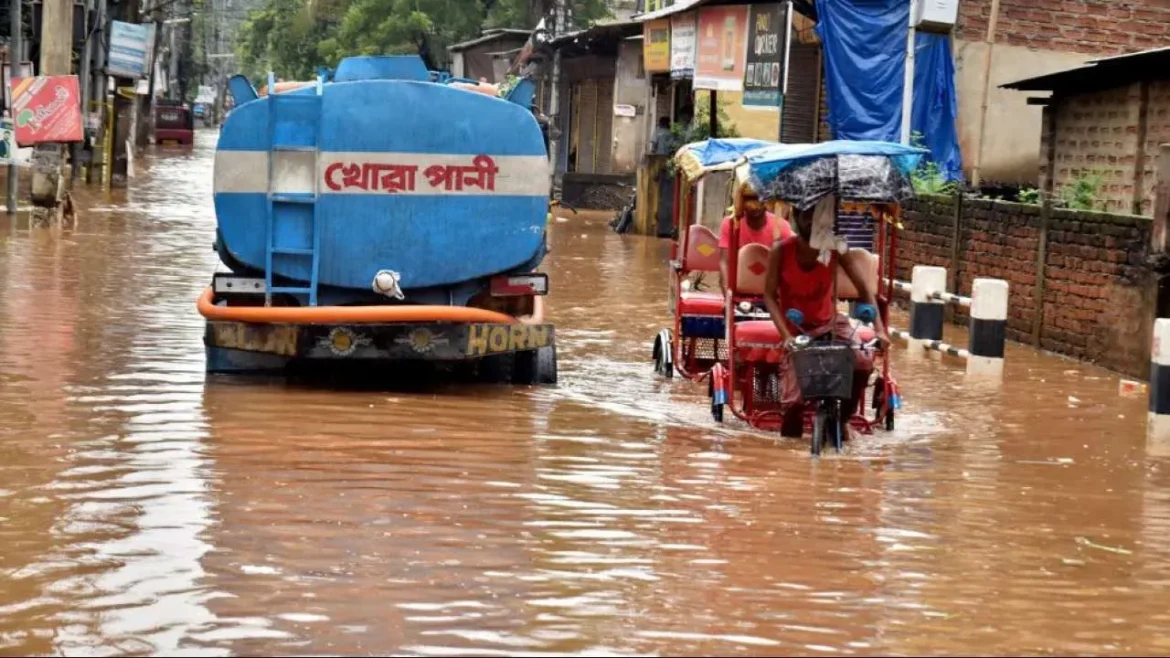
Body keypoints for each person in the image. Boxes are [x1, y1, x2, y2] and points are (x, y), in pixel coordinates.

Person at [761, 204, 891, 439]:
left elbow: (865, 290)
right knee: (793, 404)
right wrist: (786, 336)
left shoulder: (836, 247)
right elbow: (768, 296)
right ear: (796, 216)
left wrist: (880, 330)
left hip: (831, 324)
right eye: (807, 214)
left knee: (863, 362)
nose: (812, 220)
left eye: (818, 214)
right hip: (797, 330)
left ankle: (842, 420)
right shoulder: (780, 251)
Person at [718, 184, 793, 296]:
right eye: (749, 199)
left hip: (772, 293)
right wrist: (728, 296)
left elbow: (789, 266)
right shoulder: (730, 224)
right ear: (741, 201)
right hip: (738, 290)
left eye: (759, 199)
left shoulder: (782, 226)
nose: (754, 205)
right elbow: (724, 262)